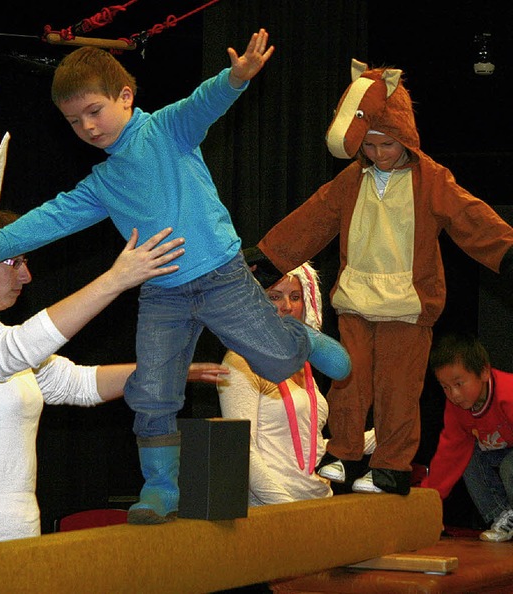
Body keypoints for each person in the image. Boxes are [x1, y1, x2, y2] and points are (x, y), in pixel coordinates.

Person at [0, 29, 351, 524]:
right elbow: (53, 217)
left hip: (220, 275)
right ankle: (161, 485)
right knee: (153, 390)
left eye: (95, 111)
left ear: (126, 97)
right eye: (74, 121)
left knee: (279, 362)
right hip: (161, 294)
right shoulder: (102, 182)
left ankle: (299, 338)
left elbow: (203, 103)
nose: (88, 127)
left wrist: (236, 78)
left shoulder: (166, 130)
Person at [247, 58, 513, 496]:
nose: (375, 154)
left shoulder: (431, 180)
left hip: (407, 309)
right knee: (347, 380)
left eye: (385, 145)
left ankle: (391, 465)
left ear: (405, 137)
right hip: (355, 300)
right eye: (367, 147)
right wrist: (272, 256)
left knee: (398, 390)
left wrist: (505, 251)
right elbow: (313, 219)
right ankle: (346, 454)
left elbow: (471, 217)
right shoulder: (352, 180)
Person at [0, 201, 229, 550]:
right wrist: (113, 281)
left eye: (24, 261)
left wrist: (168, 373)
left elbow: (79, 384)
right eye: (13, 261)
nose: (25, 276)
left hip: (18, 537)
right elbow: (12, 350)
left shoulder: (2, 340)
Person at [217, 263, 375, 505]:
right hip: (273, 511)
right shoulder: (240, 361)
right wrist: (288, 510)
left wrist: (377, 437)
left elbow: (305, 448)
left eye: (296, 297)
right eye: (274, 296)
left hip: (320, 503)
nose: (287, 306)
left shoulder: (307, 364)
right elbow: (243, 452)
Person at [422, 332, 513, 543]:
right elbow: (449, 455)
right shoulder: (456, 409)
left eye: (458, 384)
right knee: (466, 457)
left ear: (483, 372)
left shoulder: (508, 393)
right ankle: (503, 516)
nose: (453, 394)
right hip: (500, 450)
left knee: (510, 466)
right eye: (445, 387)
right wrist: (427, 502)